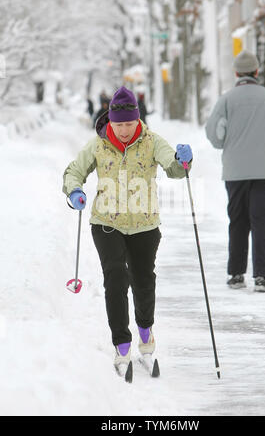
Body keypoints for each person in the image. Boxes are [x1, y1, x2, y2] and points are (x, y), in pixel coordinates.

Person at [62, 86, 192, 373]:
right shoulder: (97, 144)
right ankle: (121, 343)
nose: (123, 130)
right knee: (116, 278)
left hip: (145, 225)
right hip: (106, 223)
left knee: (143, 281)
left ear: (137, 120)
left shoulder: (151, 141)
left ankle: (146, 333)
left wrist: (183, 161)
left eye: (129, 124)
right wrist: (74, 191)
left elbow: (174, 168)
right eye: (118, 124)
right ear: (110, 121)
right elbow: (74, 171)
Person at [205, 50, 265, 293]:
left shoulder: (226, 100)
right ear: (256, 72)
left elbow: (214, 135)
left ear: (236, 73)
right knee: (262, 221)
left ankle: (236, 274)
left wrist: (229, 141)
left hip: (235, 171)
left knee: (238, 221)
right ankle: (262, 277)